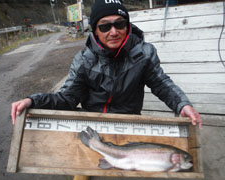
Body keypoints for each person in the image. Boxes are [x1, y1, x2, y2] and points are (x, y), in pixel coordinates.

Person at [11, 0, 202, 129]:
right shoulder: (83, 60)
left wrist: (182, 105)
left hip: (129, 123)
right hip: (91, 123)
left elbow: (161, 84)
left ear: (127, 26)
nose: (113, 31)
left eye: (119, 24)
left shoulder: (145, 53)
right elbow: (67, 99)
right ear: (95, 30)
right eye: (105, 26)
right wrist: (33, 101)